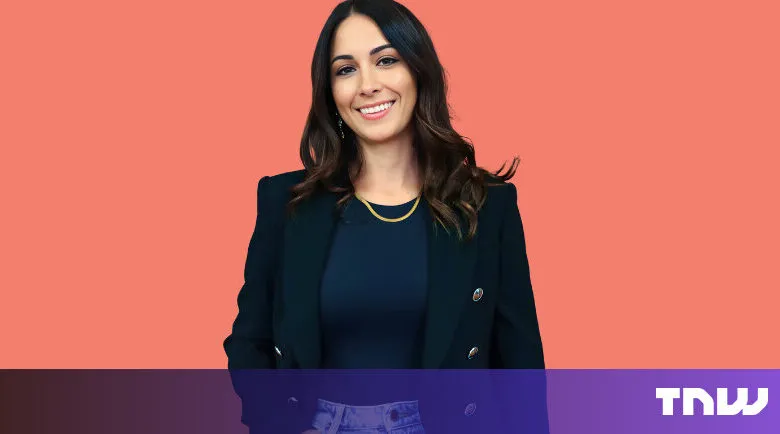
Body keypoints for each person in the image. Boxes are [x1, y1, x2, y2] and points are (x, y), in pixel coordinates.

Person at [223, 0, 546, 432]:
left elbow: (520, 362)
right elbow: (249, 341)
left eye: (386, 60)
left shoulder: (487, 206)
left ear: (418, 70)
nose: (368, 84)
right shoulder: (286, 201)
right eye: (346, 69)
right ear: (329, 91)